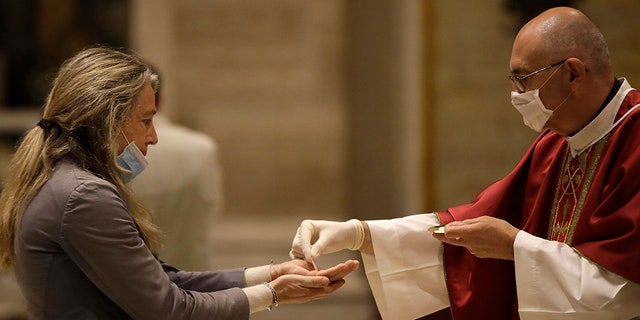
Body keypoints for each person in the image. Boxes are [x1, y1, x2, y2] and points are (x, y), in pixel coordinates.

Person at [290, 7, 640, 320]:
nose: (517, 96)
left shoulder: (634, 139)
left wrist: (514, 246)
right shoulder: (556, 144)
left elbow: (623, 292)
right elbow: (471, 222)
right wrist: (361, 233)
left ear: (574, 74)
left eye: (524, 79)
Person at [0, 46, 359, 319]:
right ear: (108, 121)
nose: (153, 137)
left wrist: (271, 274)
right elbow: (166, 308)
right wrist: (273, 294)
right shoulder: (83, 194)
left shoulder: (65, 180)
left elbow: (164, 279)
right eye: (145, 121)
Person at [131, 67, 223, 271]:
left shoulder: (200, 148)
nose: (153, 138)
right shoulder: (201, 148)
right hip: (186, 276)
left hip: (178, 282)